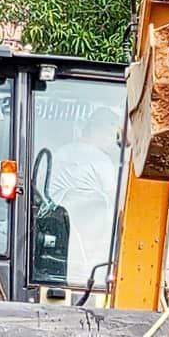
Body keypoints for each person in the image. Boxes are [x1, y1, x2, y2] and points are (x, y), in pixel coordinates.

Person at [47, 107, 122, 283]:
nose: (115, 143)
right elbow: (118, 203)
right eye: (114, 135)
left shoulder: (60, 153)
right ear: (99, 130)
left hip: (57, 241)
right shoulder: (100, 161)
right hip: (92, 251)